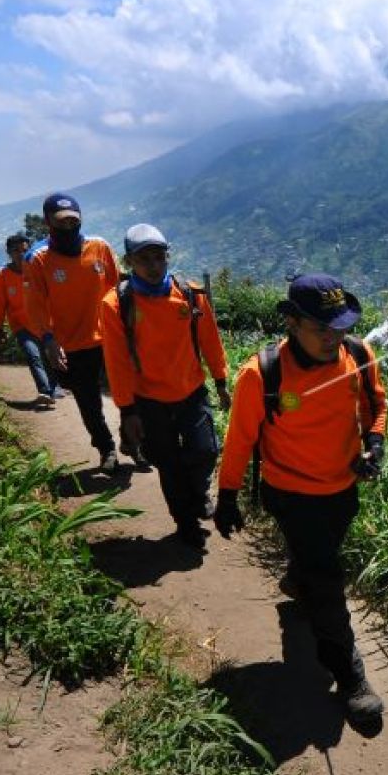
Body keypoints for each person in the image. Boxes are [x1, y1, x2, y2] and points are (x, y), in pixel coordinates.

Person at [212, 273, 388, 725]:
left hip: (342, 489)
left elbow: (376, 405)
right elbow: (239, 439)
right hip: (290, 494)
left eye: (342, 327)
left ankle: (298, 577)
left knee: (318, 558)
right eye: (322, 328)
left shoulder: (358, 355)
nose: (335, 338)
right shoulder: (263, 374)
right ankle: (350, 677)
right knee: (328, 584)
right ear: (291, 322)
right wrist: (227, 493)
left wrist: (375, 443)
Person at [99, 224, 231, 548]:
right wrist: (127, 410)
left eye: (159, 257)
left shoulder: (189, 293)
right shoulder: (116, 304)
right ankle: (185, 523)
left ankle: (197, 493)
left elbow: (210, 339)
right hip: (148, 400)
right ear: (130, 262)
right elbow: (116, 361)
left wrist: (221, 381)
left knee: (206, 450)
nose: (154, 265)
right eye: (145, 259)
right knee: (168, 464)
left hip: (191, 390)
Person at [24, 192, 121, 471]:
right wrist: (49, 340)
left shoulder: (99, 247)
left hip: (109, 337)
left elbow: (118, 290)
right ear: (48, 223)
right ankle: (106, 448)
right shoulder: (38, 259)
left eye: (73, 222)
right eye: (61, 222)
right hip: (72, 345)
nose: (68, 227)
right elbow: (36, 306)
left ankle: (133, 440)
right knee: (89, 403)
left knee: (129, 392)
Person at [0, 234, 65, 408]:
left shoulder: (38, 268)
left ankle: (54, 388)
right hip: (21, 326)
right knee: (33, 356)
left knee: (48, 357)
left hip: (45, 323)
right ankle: (45, 391)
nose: (21, 254)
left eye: (24, 250)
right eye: (16, 250)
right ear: (8, 252)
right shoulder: (3, 275)